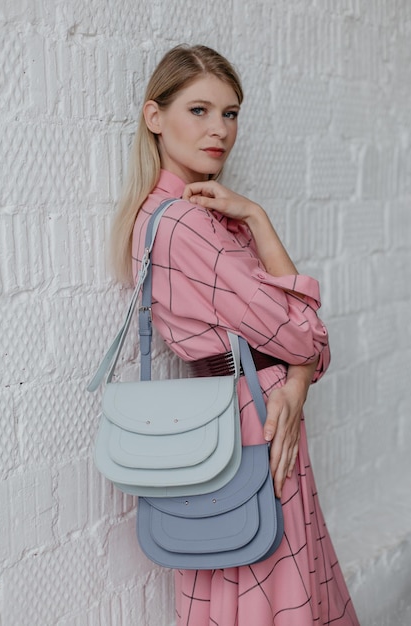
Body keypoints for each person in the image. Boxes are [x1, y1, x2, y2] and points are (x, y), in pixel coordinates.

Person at [110, 44, 360, 626]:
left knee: (248, 583)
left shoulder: (182, 214)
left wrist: (250, 215)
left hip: (245, 412)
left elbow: (298, 338)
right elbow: (309, 334)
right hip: (252, 419)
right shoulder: (187, 225)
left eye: (230, 112)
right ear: (155, 117)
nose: (219, 129)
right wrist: (299, 371)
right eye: (198, 110)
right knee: (271, 585)